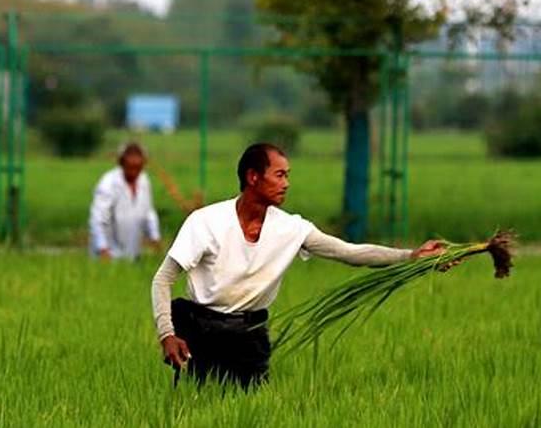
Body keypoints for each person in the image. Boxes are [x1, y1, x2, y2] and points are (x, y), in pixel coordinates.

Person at [151, 143, 444, 389]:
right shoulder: (207, 222)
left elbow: (350, 253)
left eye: (287, 176)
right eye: (279, 175)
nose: (286, 183)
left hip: (250, 335)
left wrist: (410, 256)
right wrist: (167, 334)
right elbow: (163, 279)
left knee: (251, 409)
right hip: (201, 332)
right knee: (198, 408)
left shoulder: (291, 228)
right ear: (253, 177)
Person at [88, 142, 161, 261]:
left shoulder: (144, 181)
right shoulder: (108, 183)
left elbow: (148, 212)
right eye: (130, 167)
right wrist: (102, 248)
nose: (134, 172)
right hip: (107, 253)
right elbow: (98, 219)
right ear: (122, 163)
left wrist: (154, 236)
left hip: (132, 252)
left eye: (138, 168)